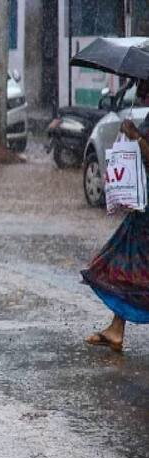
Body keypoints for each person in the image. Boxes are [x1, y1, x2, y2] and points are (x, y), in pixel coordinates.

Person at [83, 79, 149, 353]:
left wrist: (136, 137)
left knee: (127, 264)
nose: (140, 91)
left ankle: (117, 326)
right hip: (143, 207)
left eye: (144, 85)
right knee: (124, 263)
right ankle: (116, 327)